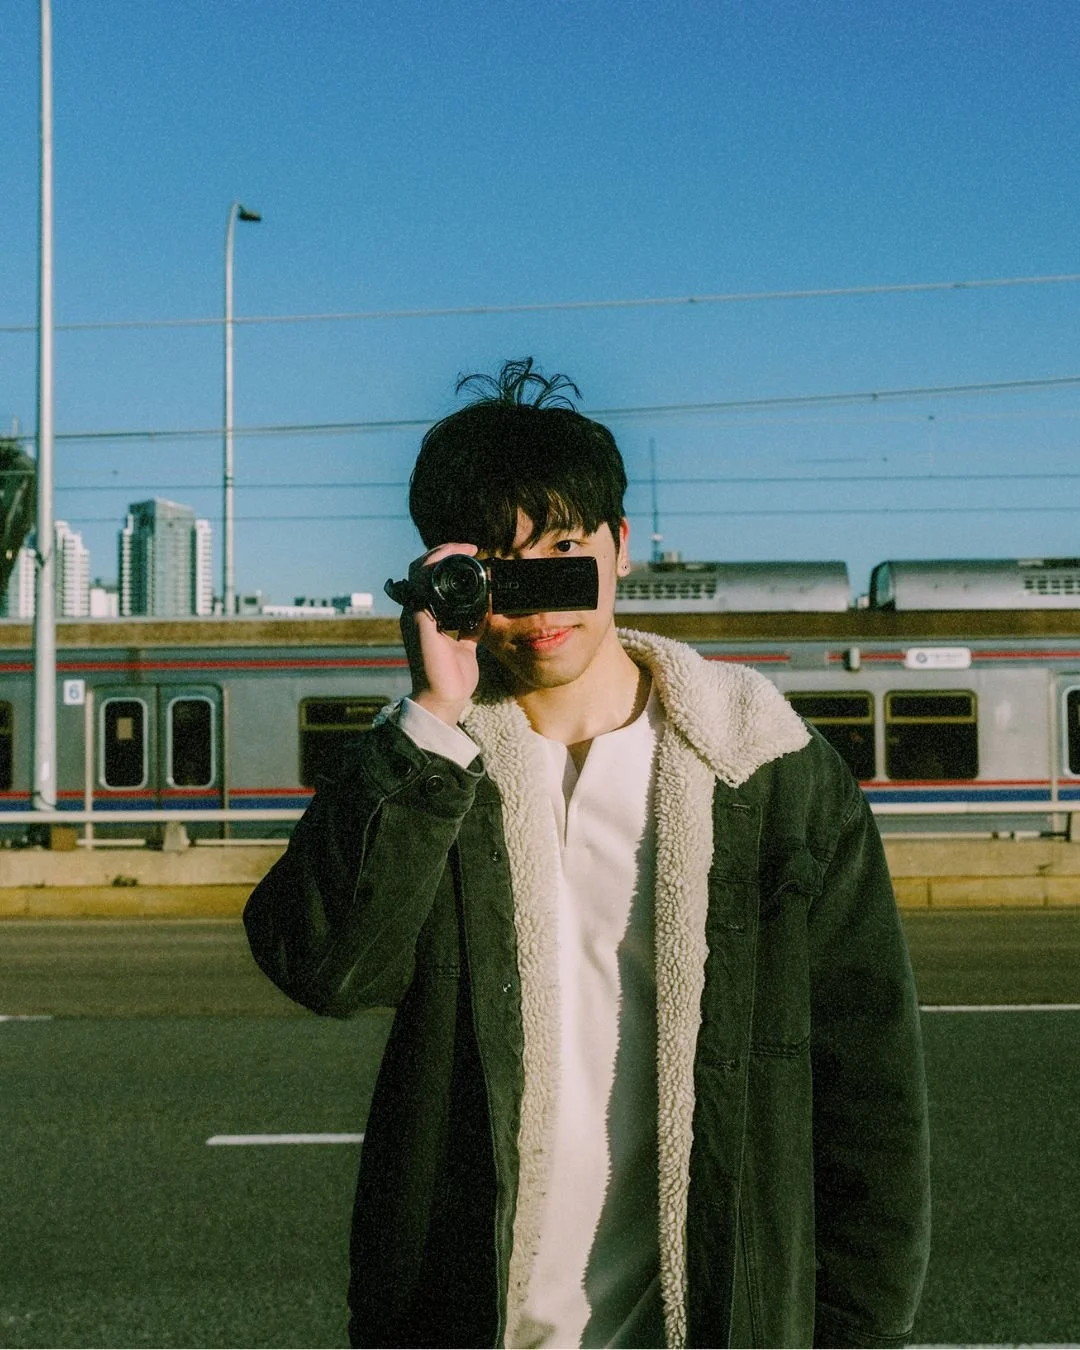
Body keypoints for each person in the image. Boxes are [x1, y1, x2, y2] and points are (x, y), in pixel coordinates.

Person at [243, 358, 931, 1349]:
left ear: (619, 545)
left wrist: (858, 1334)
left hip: (717, 1320)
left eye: (564, 553)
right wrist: (432, 716)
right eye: (497, 572)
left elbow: (871, 1094)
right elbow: (326, 969)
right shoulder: (436, 771)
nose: (540, 608)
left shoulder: (768, 769)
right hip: (469, 1319)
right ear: (451, 579)